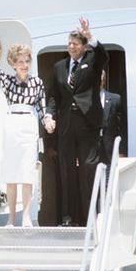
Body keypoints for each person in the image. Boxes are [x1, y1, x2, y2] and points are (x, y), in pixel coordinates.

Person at [0, 30, 55, 227]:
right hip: (12, 125)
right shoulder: (8, 81)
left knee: (26, 172)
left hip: (28, 124)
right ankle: (11, 218)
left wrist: (48, 121)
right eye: (21, 62)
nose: (25, 65)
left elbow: (42, 108)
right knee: (11, 173)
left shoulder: (37, 82)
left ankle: (25, 215)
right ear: (14, 64)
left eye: (27, 61)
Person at [48, 18, 108, 226]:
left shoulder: (92, 60)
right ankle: (68, 218)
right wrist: (49, 115)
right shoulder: (59, 67)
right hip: (65, 127)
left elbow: (103, 55)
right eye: (69, 43)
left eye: (75, 43)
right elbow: (54, 96)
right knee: (67, 171)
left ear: (83, 47)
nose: (71, 46)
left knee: (88, 169)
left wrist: (90, 35)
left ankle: (90, 217)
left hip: (87, 124)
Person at [99, 69, 122, 174]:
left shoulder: (115, 99)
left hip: (109, 149)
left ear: (103, 81)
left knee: (108, 180)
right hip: (90, 151)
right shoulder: (84, 101)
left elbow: (121, 127)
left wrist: (121, 150)